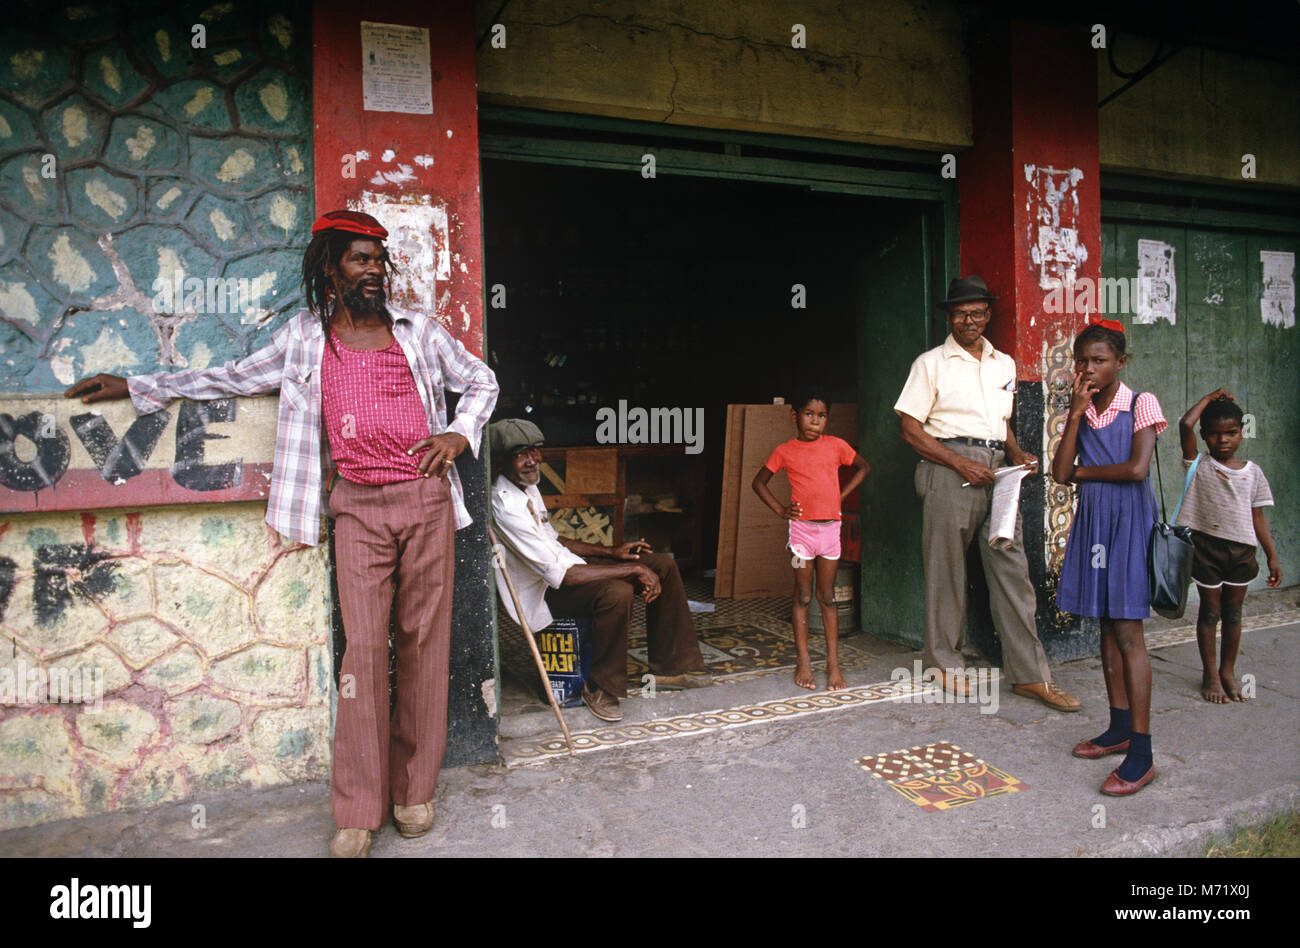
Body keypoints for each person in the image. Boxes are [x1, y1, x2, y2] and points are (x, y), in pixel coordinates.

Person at [64, 210, 499, 857]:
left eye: (379, 259)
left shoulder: (418, 332)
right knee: (361, 655)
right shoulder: (303, 340)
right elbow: (229, 378)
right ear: (331, 268)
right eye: (360, 259)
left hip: (426, 501)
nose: (375, 270)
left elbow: (481, 381)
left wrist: (458, 432)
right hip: (356, 507)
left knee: (423, 643)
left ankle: (414, 790)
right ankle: (357, 807)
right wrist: (137, 385)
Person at [894, 275, 1080, 711]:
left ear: (988, 315)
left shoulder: (1005, 364)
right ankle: (943, 664)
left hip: (998, 473)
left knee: (1012, 569)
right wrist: (960, 463)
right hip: (947, 470)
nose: (969, 320)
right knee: (947, 571)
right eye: (960, 313)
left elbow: (1002, 422)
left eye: (977, 312)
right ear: (949, 317)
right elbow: (909, 430)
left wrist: (1017, 453)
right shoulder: (931, 363)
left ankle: (1030, 676)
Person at [488, 418, 710, 723]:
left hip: (566, 572)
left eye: (535, 451)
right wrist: (631, 569)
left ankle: (670, 668)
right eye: (521, 454)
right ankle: (600, 686)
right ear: (500, 461)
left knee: (662, 564)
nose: (533, 460)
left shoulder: (526, 485)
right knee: (616, 592)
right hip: (542, 593)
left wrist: (613, 552)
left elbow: (554, 540)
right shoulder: (504, 505)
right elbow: (564, 576)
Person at [1050, 319, 1165, 796]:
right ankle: (1118, 728)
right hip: (1095, 523)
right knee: (1102, 625)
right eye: (1082, 361)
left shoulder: (1141, 403)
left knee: (1128, 633)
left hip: (1128, 523)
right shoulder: (1081, 404)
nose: (1089, 369)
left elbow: (1138, 470)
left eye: (1099, 360)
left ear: (1121, 361)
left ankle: (1142, 753)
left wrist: (1086, 472)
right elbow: (1060, 472)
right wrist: (1075, 414)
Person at [752, 392, 869, 691]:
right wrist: (780, 510)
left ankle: (833, 663)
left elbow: (864, 468)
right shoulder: (785, 451)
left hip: (830, 533)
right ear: (795, 416)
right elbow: (759, 482)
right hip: (800, 535)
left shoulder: (836, 446)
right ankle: (803, 661)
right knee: (803, 595)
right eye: (808, 414)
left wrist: (839, 497)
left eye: (821, 416)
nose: (815, 421)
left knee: (827, 596)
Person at [1176, 389, 1279, 703]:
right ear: (1205, 436)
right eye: (1216, 434)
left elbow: (1258, 516)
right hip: (1206, 549)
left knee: (1233, 613)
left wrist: (1273, 556)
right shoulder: (1198, 465)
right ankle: (1210, 674)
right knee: (1210, 612)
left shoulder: (1253, 473)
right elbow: (1185, 424)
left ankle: (1228, 672)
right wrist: (1209, 398)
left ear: (1242, 432)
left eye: (1232, 433)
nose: (1224, 440)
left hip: (1242, 552)